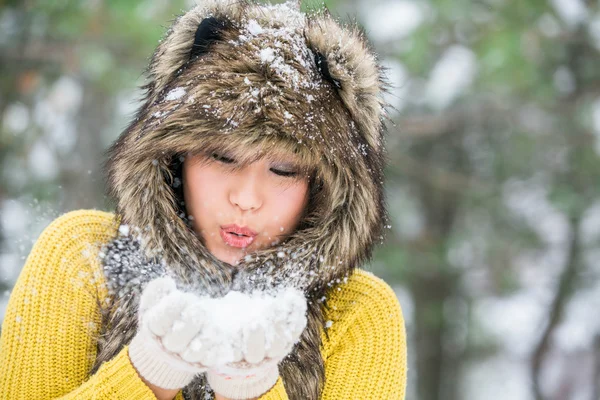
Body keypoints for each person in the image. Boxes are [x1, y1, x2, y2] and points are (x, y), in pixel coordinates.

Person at [0, 1, 407, 399]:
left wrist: (250, 389)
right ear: (175, 157)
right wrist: (150, 372)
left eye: (283, 170)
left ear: (324, 187)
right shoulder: (83, 255)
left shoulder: (358, 314)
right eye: (222, 157)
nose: (246, 199)